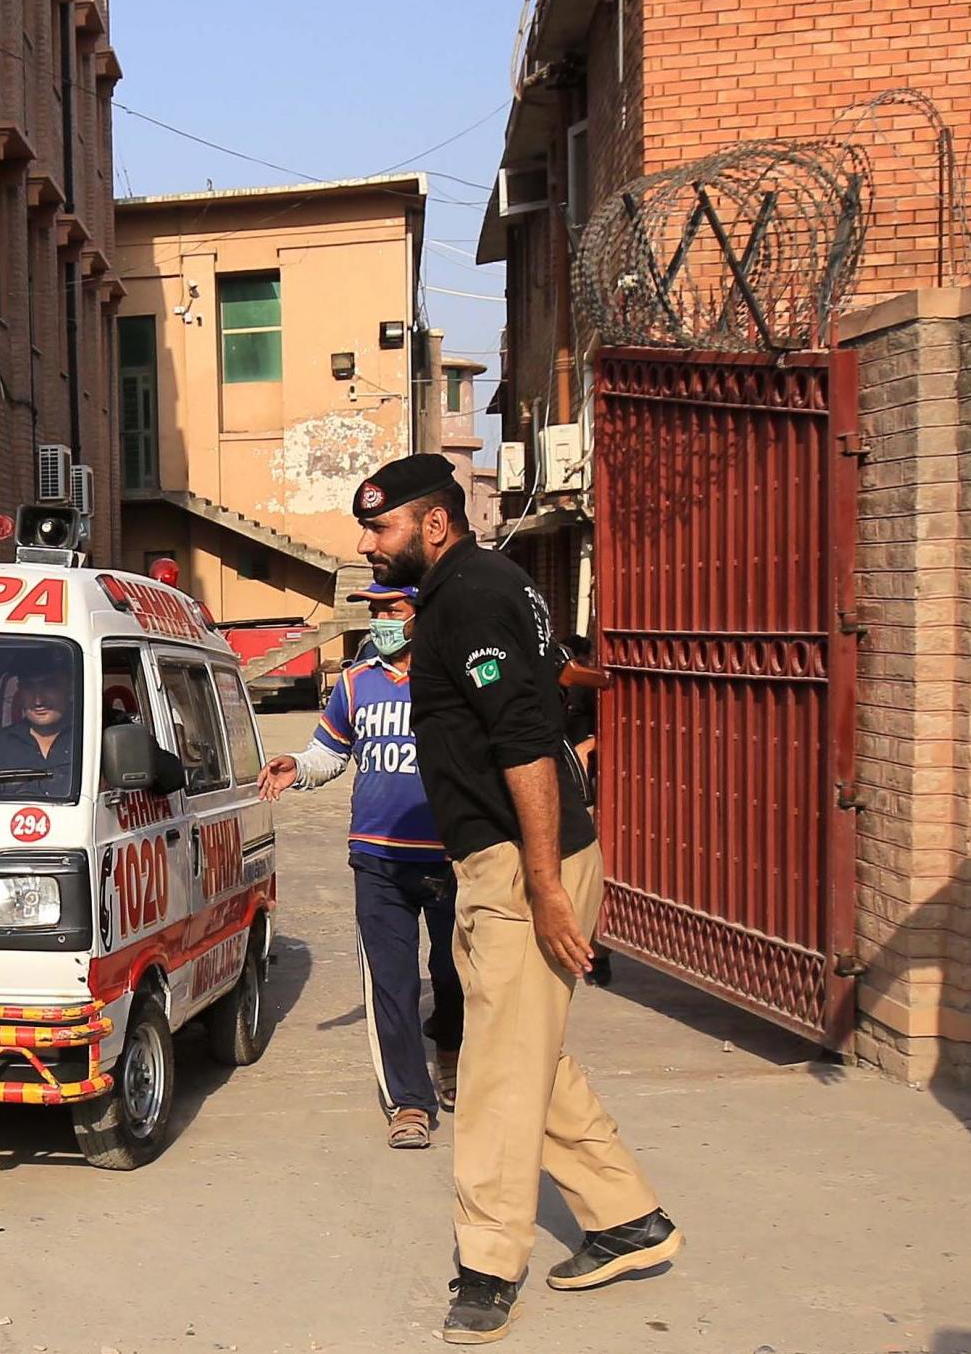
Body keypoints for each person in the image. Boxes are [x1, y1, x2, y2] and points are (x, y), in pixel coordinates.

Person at [352, 454, 676, 1344]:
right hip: (513, 856)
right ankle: (627, 1220)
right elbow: (553, 687)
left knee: (494, 1067)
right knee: (525, 1043)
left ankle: (487, 1267)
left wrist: (541, 884)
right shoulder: (500, 585)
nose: (369, 546)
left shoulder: (471, 598)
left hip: (518, 860)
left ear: (434, 524)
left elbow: (526, 740)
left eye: (381, 530)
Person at [258, 582, 463, 1151]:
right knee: (391, 985)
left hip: (453, 859)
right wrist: (295, 766)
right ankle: (410, 1103)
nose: (381, 620)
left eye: (393, 610)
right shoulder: (355, 682)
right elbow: (331, 753)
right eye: (375, 610)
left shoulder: (451, 678)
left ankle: (450, 1047)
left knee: (454, 972)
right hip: (376, 858)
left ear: (422, 614)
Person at [558, 634, 612, 989]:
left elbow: (606, 728)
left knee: (588, 879)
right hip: (548, 785)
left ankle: (597, 954)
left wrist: (590, 744)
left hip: (584, 792)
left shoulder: (588, 690)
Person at [0, 652, 80, 795]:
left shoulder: (89, 738)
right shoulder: (1, 745)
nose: (38, 701)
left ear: (70, 687)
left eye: (49, 685)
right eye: (29, 687)